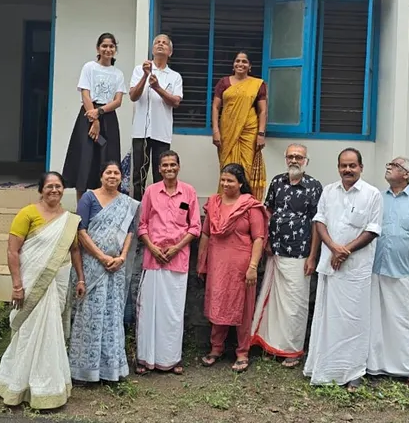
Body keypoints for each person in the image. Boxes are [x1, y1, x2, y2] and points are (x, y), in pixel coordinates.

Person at [0, 172, 85, 409]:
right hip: (32, 283)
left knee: (51, 331)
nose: (54, 190)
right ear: (41, 190)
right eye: (49, 186)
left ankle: (50, 387)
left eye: (58, 186)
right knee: (29, 332)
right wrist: (16, 285)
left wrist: (81, 279)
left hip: (60, 279)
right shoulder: (27, 214)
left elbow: (75, 251)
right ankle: (17, 385)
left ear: (64, 189)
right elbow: (13, 251)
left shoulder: (69, 220)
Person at [303, 148, 382, 392]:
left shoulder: (372, 195)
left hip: (356, 269)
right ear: (338, 167)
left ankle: (354, 371)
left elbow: (373, 229)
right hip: (331, 264)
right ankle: (323, 366)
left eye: (352, 166)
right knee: (328, 318)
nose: (347, 170)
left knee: (354, 319)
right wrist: (333, 249)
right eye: (343, 166)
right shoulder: (329, 191)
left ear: (361, 167)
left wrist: (344, 251)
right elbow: (320, 221)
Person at [251, 144, 323, 367]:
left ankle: (292, 350)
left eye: (299, 157)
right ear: (285, 159)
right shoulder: (277, 182)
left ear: (306, 161)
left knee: (295, 304)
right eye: (291, 156)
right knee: (274, 302)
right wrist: (267, 241)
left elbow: (318, 223)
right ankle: (273, 344)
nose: (294, 160)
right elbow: (268, 212)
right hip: (276, 252)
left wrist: (313, 256)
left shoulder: (313, 187)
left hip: (300, 253)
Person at [67, 161, 139, 383]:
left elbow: (129, 232)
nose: (112, 176)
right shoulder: (88, 198)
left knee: (112, 316)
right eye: (108, 172)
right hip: (92, 266)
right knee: (89, 315)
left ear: (121, 178)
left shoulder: (127, 203)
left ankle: (110, 370)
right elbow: (81, 231)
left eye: (117, 173)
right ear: (101, 176)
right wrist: (101, 256)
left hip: (116, 268)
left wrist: (122, 257)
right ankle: (84, 371)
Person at [367, 156, 409, 389]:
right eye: (388, 164)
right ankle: (374, 367)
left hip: (404, 271)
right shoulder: (377, 197)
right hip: (376, 268)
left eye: (394, 166)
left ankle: (406, 368)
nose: (388, 167)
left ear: (406, 174)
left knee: (403, 320)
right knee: (376, 319)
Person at [197, 163, 269, 373]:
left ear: (240, 183)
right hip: (218, 264)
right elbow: (206, 234)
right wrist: (202, 262)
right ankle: (216, 348)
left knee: (243, 308)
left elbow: (258, 238)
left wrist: (253, 266)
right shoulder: (213, 203)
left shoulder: (250, 206)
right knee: (217, 303)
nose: (225, 184)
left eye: (230, 180)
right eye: (223, 179)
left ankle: (242, 352)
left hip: (242, 265)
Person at [134, 150, 201, 375]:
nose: (169, 168)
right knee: (149, 311)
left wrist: (176, 248)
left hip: (178, 259)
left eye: (173, 164)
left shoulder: (189, 192)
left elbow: (195, 227)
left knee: (172, 312)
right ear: (159, 169)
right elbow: (142, 225)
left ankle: (171, 359)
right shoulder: (151, 192)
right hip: (153, 260)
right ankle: (145, 359)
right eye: (165, 165)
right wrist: (152, 248)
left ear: (178, 167)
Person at [62, 33, 126, 197]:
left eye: (111, 46)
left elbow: (118, 101)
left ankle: (105, 206)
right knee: (84, 160)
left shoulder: (118, 73)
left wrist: (100, 112)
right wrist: (94, 120)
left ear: (115, 50)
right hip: (88, 116)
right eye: (104, 46)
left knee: (107, 159)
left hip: (109, 117)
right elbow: (85, 95)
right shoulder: (89, 67)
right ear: (98, 48)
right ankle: (81, 209)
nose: (108, 49)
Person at [128, 34, 184, 201]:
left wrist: (158, 88)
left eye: (164, 43)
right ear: (152, 49)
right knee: (138, 175)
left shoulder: (175, 76)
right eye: (157, 42)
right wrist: (145, 76)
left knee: (162, 174)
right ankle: (138, 212)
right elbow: (133, 96)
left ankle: (161, 210)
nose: (160, 45)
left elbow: (175, 101)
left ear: (170, 52)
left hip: (162, 132)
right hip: (140, 132)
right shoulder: (139, 70)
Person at [211, 51, 268, 202]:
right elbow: (216, 107)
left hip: (249, 131)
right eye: (238, 61)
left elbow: (262, 110)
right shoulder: (223, 83)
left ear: (250, 66)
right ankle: (225, 204)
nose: (240, 64)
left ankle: (246, 205)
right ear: (233, 64)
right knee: (227, 169)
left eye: (244, 62)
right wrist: (215, 131)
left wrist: (261, 134)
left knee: (246, 170)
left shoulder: (257, 84)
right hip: (227, 132)